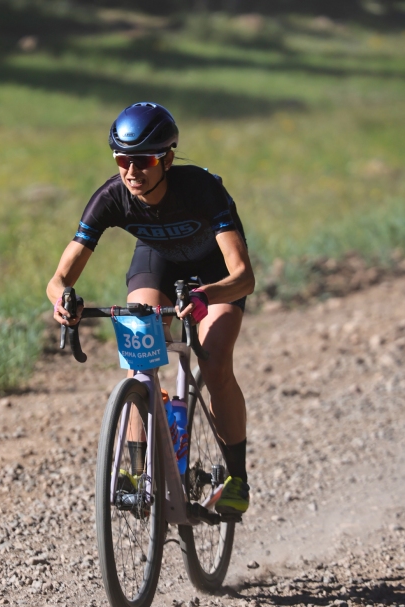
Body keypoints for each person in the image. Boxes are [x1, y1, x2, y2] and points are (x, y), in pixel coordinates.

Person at [47, 102, 255, 515]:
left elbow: (243, 276)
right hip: (156, 265)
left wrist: (205, 297)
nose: (131, 171)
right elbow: (59, 279)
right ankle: (139, 472)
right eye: (122, 159)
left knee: (214, 364)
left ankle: (236, 479)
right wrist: (62, 301)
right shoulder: (112, 197)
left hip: (214, 275)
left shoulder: (201, 189)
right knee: (139, 358)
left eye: (143, 160)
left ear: (168, 157)